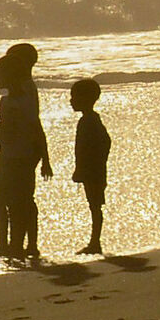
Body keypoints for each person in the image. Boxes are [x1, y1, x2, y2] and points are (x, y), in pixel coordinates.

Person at [0, 42, 49, 260]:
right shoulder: (20, 94)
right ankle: (12, 245)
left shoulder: (19, 98)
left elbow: (23, 127)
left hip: (17, 156)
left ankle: (13, 245)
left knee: (13, 201)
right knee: (10, 200)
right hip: (13, 153)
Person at [69, 76, 111, 255]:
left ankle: (95, 242)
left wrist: (85, 168)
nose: (71, 100)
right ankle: (94, 241)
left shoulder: (89, 121)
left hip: (93, 171)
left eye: (75, 97)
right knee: (94, 204)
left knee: (94, 205)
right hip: (95, 170)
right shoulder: (91, 119)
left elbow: (100, 144)